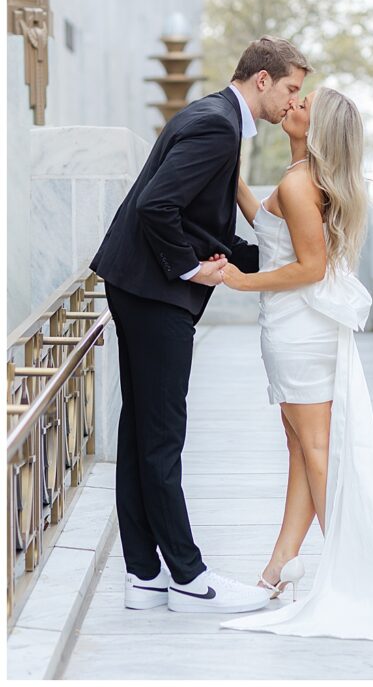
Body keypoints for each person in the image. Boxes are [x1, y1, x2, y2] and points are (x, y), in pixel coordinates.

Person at [91, 36, 312, 613]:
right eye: (291, 88)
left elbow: (197, 220)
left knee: (140, 432)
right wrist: (192, 269)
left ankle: (143, 574)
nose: (293, 102)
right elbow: (155, 206)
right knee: (161, 437)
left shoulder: (212, 116)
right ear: (262, 80)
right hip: (154, 290)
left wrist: (278, 262)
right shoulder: (219, 125)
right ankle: (188, 577)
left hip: (137, 284)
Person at [218, 87, 373, 641]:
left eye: (304, 104)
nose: (293, 105)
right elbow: (270, 227)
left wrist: (241, 281)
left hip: (299, 329)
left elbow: (308, 267)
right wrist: (233, 175)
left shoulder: (298, 182)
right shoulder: (302, 179)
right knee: (302, 450)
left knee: (315, 452)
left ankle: (352, 574)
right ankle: (278, 570)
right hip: (295, 328)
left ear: (318, 128)